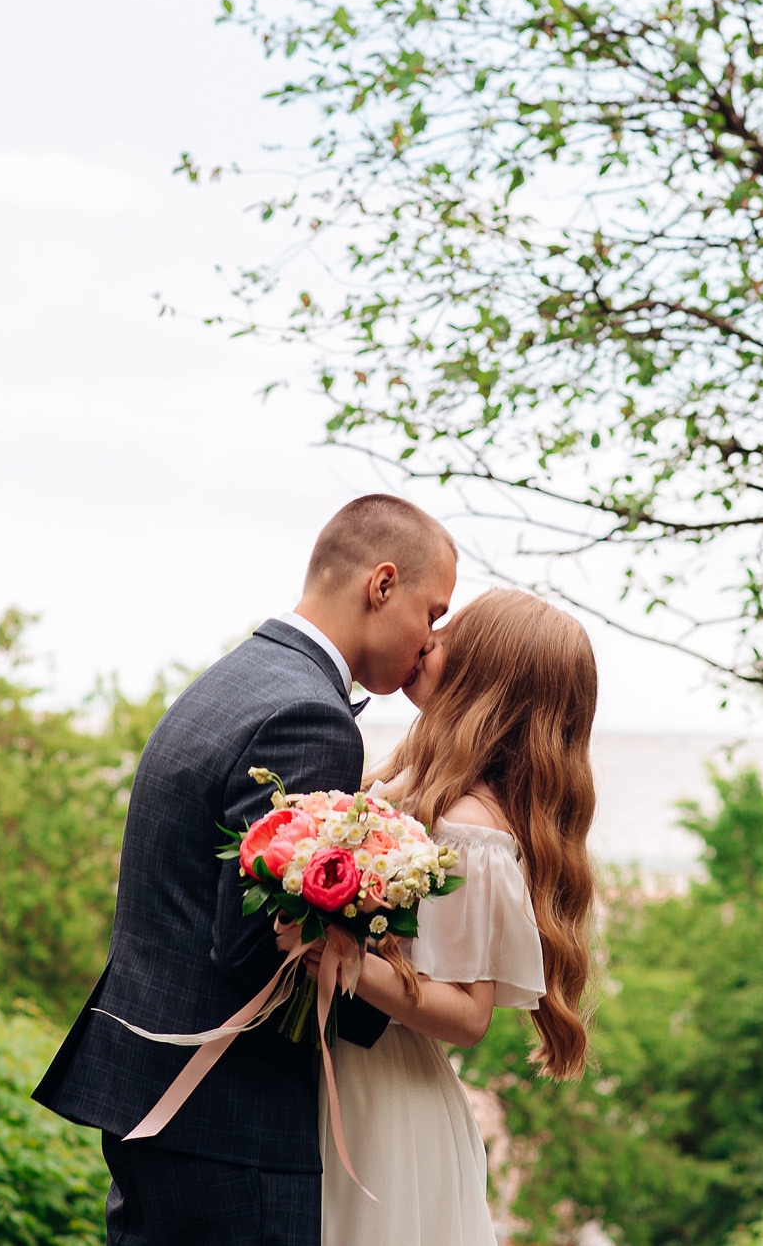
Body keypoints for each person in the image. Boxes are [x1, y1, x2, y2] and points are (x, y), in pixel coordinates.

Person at [33, 493, 457, 1246]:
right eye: (433, 611)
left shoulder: (240, 675)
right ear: (382, 585)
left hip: (158, 1096)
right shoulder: (310, 717)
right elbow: (263, 943)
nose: (430, 640)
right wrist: (408, 1018)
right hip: (230, 1119)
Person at [314, 588, 598, 1245]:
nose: (425, 638)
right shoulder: (418, 777)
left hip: (382, 1099)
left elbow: (468, 1014)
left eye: (449, 636)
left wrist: (338, 954)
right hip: (347, 1073)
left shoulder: (471, 830)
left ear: (487, 680)